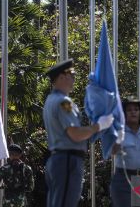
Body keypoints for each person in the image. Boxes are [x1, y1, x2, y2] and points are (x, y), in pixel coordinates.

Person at [43, 59, 114, 207]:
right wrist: (99, 126)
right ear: (62, 77)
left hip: (59, 160)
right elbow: (75, 134)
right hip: (67, 160)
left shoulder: (51, 100)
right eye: (72, 75)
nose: (74, 79)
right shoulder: (64, 102)